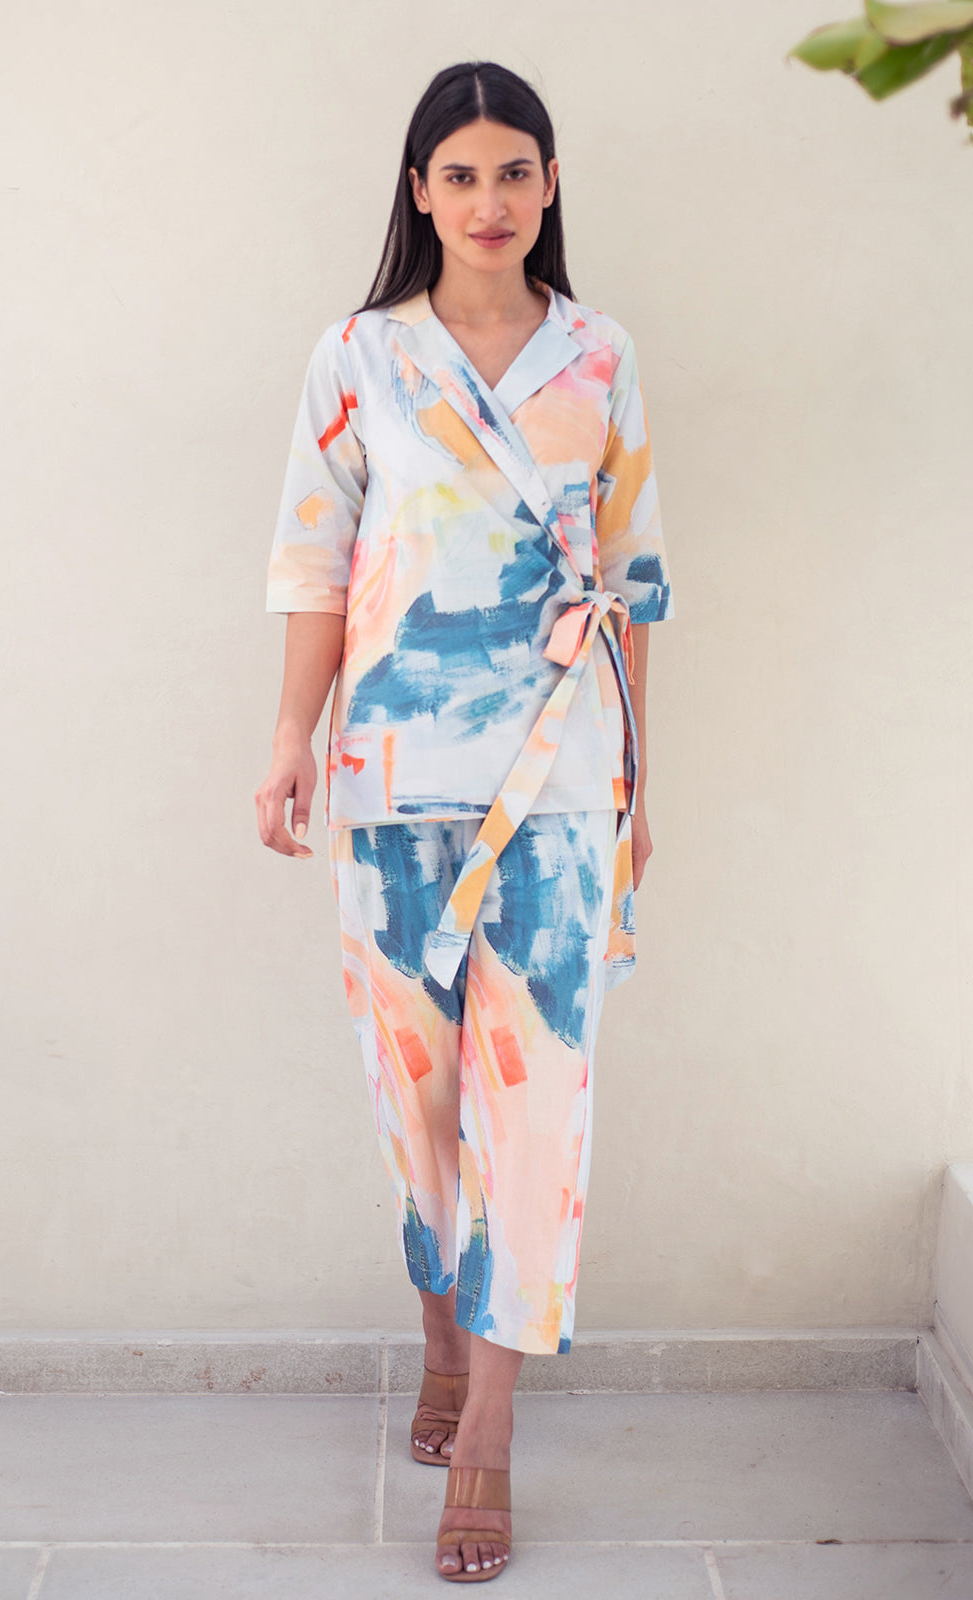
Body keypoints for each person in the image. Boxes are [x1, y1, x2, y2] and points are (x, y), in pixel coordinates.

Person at [256, 59, 673, 1583]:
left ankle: (489, 1424)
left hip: (560, 781)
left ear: (549, 186)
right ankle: (442, 1327)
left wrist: (640, 788)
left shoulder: (600, 357)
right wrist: (289, 740)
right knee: (418, 1094)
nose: (490, 201)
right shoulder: (359, 356)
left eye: (515, 172)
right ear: (420, 193)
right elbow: (315, 562)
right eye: (461, 175)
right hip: (388, 780)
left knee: (536, 1102)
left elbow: (634, 585)